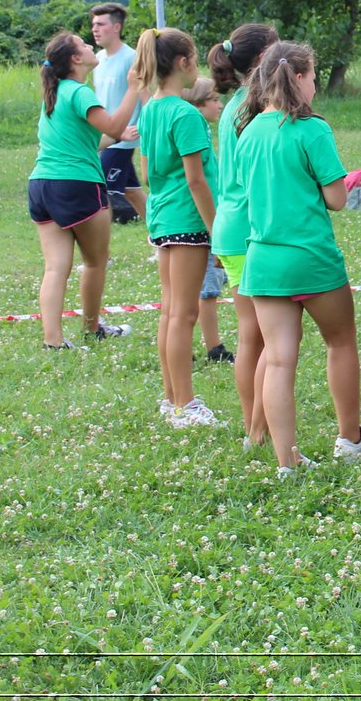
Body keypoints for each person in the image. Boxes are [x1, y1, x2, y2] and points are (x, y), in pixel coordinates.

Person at [235, 42, 361, 477]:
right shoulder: (312, 130)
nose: (315, 84)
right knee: (341, 342)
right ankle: (350, 438)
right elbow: (336, 199)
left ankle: (286, 461)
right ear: (298, 78)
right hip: (311, 259)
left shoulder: (249, 130)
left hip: (264, 262)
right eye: (313, 76)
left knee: (277, 360)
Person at [28, 32, 141, 349]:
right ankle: (92, 329)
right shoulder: (80, 92)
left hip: (41, 186)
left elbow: (92, 141)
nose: (91, 46)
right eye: (83, 44)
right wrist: (133, 88)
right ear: (76, 59)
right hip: (76, 185)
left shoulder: (56, 94)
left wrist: (116, 136)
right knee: (95, 262)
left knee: (55, 268)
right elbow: (113, 126)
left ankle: (53, 341)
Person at [134, 28, 219, 428]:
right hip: (187, 221)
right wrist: (215, 227)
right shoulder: (186, 113)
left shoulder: (150, 107)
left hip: (163, 218)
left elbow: (148, 168)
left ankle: (172, 399)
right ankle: (185, 404)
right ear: (183, 63)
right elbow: (196, 179)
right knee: (184, 315)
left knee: (170, 312)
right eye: (195, 58)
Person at [207, 23, 279, 447]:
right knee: (263, 335)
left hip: (232, 228)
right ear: (261, 60)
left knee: (251, 334)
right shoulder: (251, 108)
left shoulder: (236, 103)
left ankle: (257, 429)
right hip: (249, 230)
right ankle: (256, 429)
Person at [183, 76, 234, 362]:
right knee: (208, 289)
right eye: (214, 99)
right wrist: (214, 228)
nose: (220, 104)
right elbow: (197, 181)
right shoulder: (195, 129)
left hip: (190, 222)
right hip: (201, 224)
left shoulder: (199, 129)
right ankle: (214, 347)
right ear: (199, 104)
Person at [90, 3, 149, 224]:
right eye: (93, 24)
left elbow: (145, 95)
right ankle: (159, 237)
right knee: (132, 191)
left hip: (122, 140)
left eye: (101, 24)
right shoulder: (98, 59)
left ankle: (100, 258)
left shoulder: (131, 58)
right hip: (105, 137)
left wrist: (148, 129)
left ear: (116, 27)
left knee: (99, 193)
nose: (95, 29)